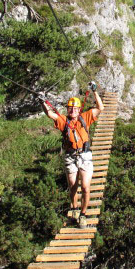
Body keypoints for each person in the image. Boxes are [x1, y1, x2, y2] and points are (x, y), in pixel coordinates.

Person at [41, 82, 103, 228]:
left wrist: (95, 92)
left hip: (84, 156)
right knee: (73, 186)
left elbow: (100, 108)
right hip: (70, 156)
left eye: (75, 109)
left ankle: (83, 214)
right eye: (70, 109)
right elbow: (50, 113)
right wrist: (43, 102)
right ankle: (74, 208)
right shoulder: (64, 120)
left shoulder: (85, 117)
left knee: (86, 187)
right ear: (68, 109)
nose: (73, 111)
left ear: (79, 109)